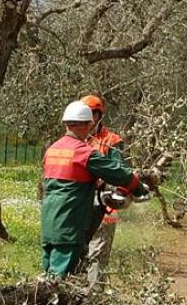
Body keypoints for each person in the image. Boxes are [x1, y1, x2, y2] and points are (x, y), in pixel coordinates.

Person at [41, 100, 154, 284]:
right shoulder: (85, 153)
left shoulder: (52, 150)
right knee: (58, 285)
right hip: (71, 224)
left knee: (47, 279)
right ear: (87, 125)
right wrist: (139, 189)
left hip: (49, 223)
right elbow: (119, 173)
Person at [81, 94, 126, 287]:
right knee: (76, 253)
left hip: (103, 206)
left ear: (99, 116)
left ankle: (93, 301)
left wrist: (102, 179)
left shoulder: (112, 141)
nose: (88, 120)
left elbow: (119, 171)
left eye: (92, 115)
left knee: (97, 256)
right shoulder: (74, 138)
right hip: (77, 206)